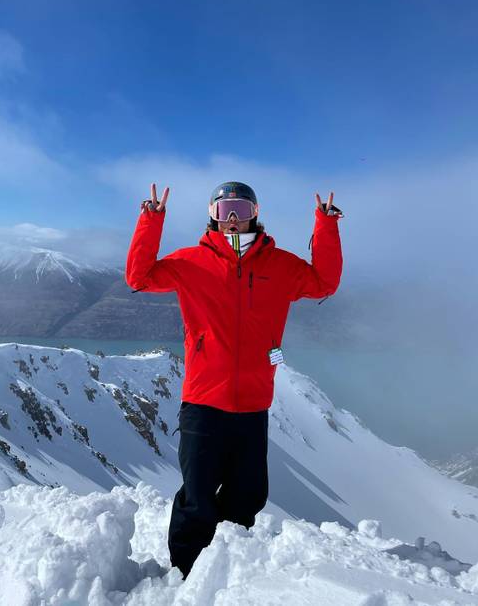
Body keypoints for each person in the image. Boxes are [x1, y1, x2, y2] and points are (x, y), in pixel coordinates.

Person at [125, 181, 343, 578]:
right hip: (203, 402)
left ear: (255, 214)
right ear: (211, 215)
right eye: (223, 209)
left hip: (253, 404)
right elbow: (139, 277)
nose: (231, 218)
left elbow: (324, 283)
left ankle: (225, 570)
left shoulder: (280, 266)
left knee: (249, 495)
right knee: (197, 498)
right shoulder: (191, 262)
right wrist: (151, 220)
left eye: (240, 209)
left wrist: (325, 226)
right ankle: (185, 577)